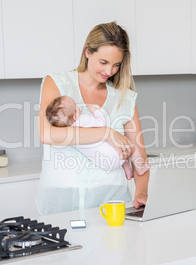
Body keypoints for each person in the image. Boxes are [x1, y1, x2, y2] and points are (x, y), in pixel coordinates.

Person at [36, 21, 149, 214]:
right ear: (87, 51)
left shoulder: (125, 97)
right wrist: (106, 133)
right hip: (60, 202)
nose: (109, 71)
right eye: (103, 62)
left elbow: (140, 159)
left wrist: (142, 192)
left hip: (112, 203)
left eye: (116, 65)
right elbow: (47, 134)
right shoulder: (57, 83)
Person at [45, 95, 150, 179]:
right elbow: (101, 123)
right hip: (115, 155)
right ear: (75, 116)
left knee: (120, 152)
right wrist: (97, 111)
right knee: (132, 147)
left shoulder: (68, 133)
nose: (79, 106)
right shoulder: (83, 120)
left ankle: (127, 172)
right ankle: (140, 168)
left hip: (104, 163)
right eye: (76, 106)